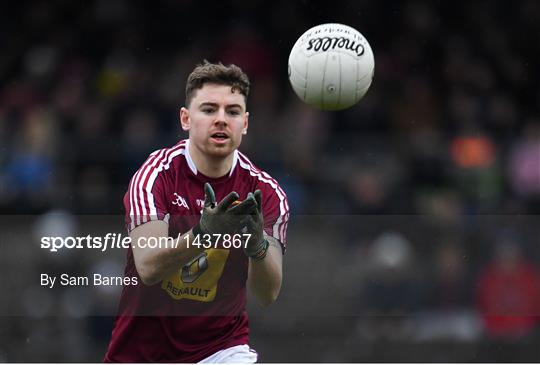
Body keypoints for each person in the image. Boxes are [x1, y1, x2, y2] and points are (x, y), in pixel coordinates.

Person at [104, 61, 289, 363]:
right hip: (141, 353)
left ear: (245, 122)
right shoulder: (155, 176)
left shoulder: (266, 193)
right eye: (208, 109)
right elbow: (148, 268)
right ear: (186, 119)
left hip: (221, 350)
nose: (221, 120)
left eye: (232, 111)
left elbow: (267, 295)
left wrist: (256, 247)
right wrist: (203, 234)